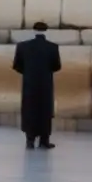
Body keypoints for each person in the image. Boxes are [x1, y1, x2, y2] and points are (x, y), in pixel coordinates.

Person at [12, 22, 61, 150]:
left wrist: (28, 72)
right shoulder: (53, 47)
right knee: (45, 111)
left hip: (29, 84)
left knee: (30, 110)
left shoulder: (23, 46)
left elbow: (17, 65)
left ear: (33, 31)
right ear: (46, 31)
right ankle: (44, 140)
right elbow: (57, 66)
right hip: (46, 84)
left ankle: (30, 140)